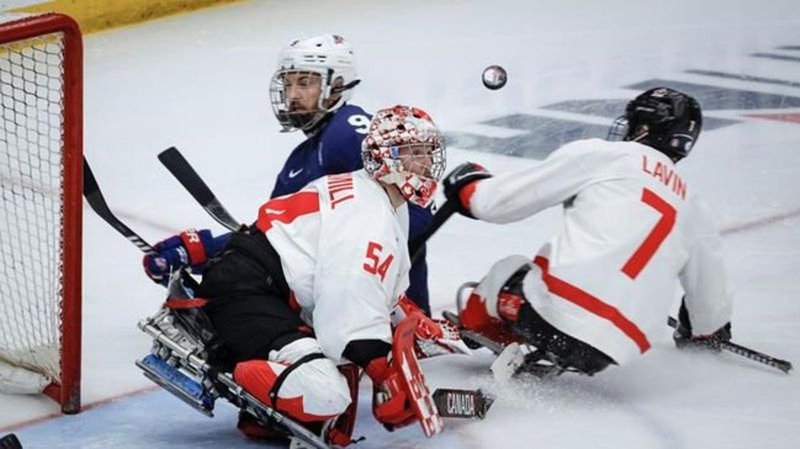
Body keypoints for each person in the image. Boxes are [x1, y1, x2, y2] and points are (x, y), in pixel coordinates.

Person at [194, 105, 446, 444]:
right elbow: (348, 302)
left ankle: (274, 391)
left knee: (338, 366)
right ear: (383, 158)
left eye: (428, 152)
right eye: (412, 153)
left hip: (260, 284)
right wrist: (383, 373)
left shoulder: (373, 194)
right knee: (328, 393)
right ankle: (236, 377)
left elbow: (367, 286)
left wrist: (411, 316)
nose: (425, 164)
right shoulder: (369, 214)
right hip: (246, 293)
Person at [442, 87, 732, 375]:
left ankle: (494, 337)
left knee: (507, 270)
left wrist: (470, 188)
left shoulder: (605, 155)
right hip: (618, 347)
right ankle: (555, 348)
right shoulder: (693, 204)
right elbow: (711, 294)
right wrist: (704, 332)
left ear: (643, 127)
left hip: (548, 316)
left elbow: (497, 204)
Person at [143, 34, 434, 314]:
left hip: (379, 316)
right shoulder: (301, 159)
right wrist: (206, 251)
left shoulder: (347, 130)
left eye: (305, 83)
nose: (293, 95)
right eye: (289, 84)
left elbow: (417, 212)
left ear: (338, 85)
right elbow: (272, 237)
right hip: (341, 306)